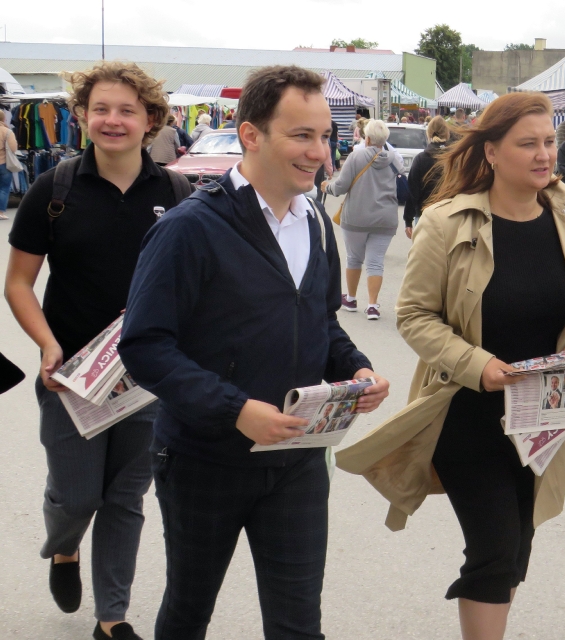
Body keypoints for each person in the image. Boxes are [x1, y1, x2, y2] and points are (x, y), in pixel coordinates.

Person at [118, 65, 390, 640]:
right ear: (251, 135)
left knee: (298, 626)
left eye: (325, 137)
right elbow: (144, 346)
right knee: (188, 613)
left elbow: (319, 321)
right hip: (204, 461)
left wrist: (355, 368)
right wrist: (236, 409)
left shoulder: (315, 221)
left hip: (297, 461)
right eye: (302, 135)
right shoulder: (190, 227)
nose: (319, 152)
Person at [335, 92, 565, 640]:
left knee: (517, 549)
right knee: (495, 551)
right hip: (466, 414)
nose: (544, 154)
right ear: (492, 152)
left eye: (548, 141)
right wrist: (478, 365)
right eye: (527, 144)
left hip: (540, 417)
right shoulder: (445, 221)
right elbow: (414, 315)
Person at [5, 61, 191, 640]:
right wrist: (47, 345)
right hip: (71, 378)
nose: (113, 120)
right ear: (82, 116)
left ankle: (112, 617)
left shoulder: (178, 194)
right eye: (101, 109)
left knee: (126, 496)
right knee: (76, 496)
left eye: (127, 110)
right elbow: (18, 284)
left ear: (151, 120)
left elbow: (195, 283)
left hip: (146, 378)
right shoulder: (54, 189)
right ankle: (64, 548)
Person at [322, 119, 399, 321]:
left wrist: (326, 187)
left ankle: (351, 298)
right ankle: (372, 306)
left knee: (354, 258)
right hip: (386, 218)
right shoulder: (394, 159)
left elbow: (340, 186)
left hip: (356, 217)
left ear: (368, 138)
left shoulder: (356, 157)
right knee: (376, 262)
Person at [403, 116, 449, 237]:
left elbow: (413, 191)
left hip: (425, 215)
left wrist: (408, 220)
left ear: (428, 134)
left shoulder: (421, 159)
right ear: (447, 134)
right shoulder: (455, 158)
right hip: (450, 216)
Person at [0, 118, 18, 220]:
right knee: (4, 188)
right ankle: (0, 212)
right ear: (3, 119)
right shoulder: (7, 131)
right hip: (4, 163)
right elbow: (13, 148)